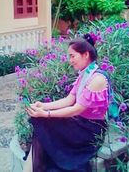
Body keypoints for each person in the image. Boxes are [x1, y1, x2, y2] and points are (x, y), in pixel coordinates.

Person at [25, 34, 110, 172]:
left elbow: (76, 109)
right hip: (80, 123)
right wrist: (42, 105)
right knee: (39, 122)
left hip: (90, 130)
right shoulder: (85, 74)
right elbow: (69, 100)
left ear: (85, 54)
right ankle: (32, 168)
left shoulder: (97, 79)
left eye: (72, 56)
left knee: (42, 122)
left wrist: (46, 114)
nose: (70, 61)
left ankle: (34, 168)